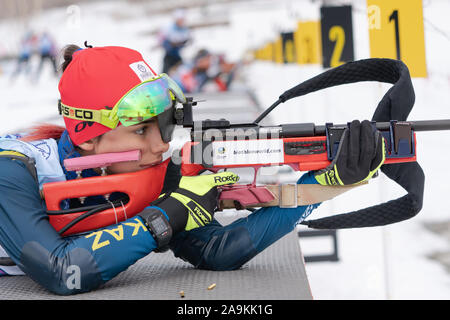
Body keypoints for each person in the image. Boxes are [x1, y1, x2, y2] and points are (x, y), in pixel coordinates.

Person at [0, 44, 385, 295]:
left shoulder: (147, 172)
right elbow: (62, 271)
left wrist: (325, 184)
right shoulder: (13, 170)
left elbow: (218, 252)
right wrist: (165, 218)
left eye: (164, 125)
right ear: (86, 137)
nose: (160, 145)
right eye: (140, 130)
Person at [170, 49, 238, 93]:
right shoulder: (187, 66)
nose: (210, 62)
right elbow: (189, 86)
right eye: (207, 59)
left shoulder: (204, 75)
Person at [159, 9, 191, 74]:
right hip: (169, 55)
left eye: (182, 20)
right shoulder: (169, 28)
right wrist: (170, 45)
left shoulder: (185, 29)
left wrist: (183, 43)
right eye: (180, 20)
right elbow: (162, 40)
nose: (181, 22)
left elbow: (187, 40)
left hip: (178, 55)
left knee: (180, 71)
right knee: (165, 72)